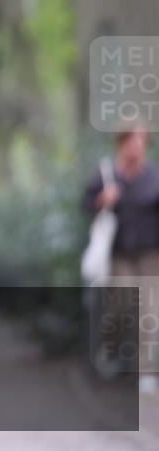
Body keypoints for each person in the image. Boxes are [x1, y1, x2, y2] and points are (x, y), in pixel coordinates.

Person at [83, 123, 159, 394]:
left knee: (149, 311)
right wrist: (103, 199)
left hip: (151, 253)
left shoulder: (154, 176)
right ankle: (109, 346)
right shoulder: (107, 175)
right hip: (120, 253)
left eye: (141, 140)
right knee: (123, 301)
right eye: (132, 140)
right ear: (121, 143)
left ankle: (145, 372)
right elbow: (85, 206)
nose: (136, 145)